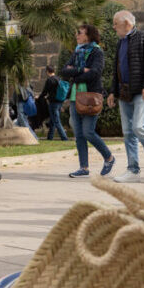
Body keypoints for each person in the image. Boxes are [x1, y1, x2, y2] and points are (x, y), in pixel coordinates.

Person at [108, 10, 144, 183]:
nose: (113, 27)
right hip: (124, 92)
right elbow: (116, 70)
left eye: (115, 23)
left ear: (127, 23)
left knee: (139, 127)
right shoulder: (120, 43)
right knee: (128, 132)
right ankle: (133, 170)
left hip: (142, 91)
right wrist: (112, 91)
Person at [59, 24, 115, 179]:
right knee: (79, 134)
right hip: (74, 97)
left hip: (90, 96)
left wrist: (75, 74)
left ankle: (109, 158)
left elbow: (95, 73)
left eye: (80, 33)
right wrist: (81, 71)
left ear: (88, 35)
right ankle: (83, 168)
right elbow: (64, 71)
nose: (77, 35)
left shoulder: (97, 52)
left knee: (88, 131)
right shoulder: (77, 51)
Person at [42, 66, 69, 141]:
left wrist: (40, 97)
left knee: (56, 121)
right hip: (59, 102)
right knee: (53, 121)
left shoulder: (50, 80)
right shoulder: (58, 79)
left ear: (47, 71)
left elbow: (45, 91)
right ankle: (50, 137)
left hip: (53, 103)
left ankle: (64, 138)